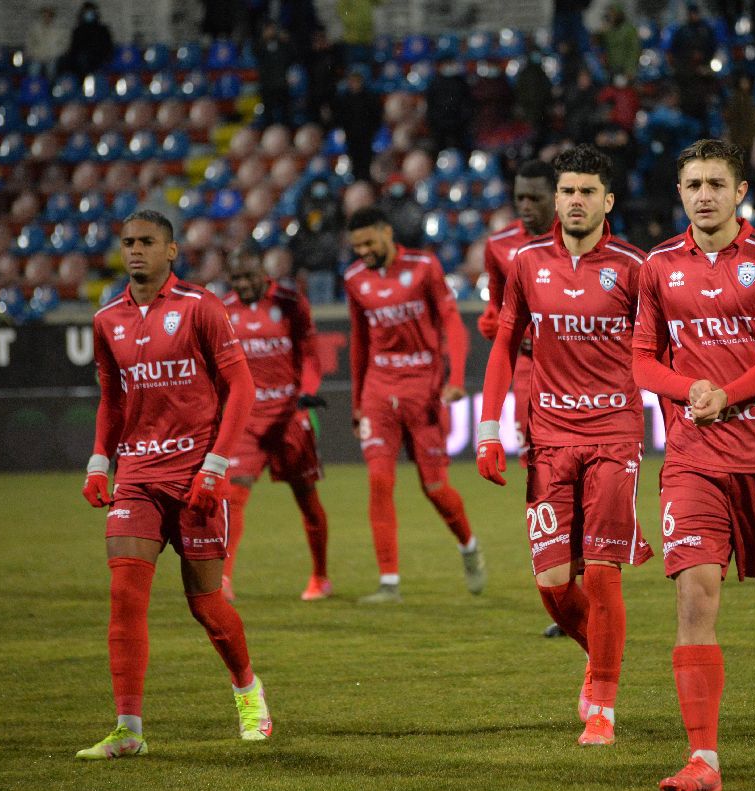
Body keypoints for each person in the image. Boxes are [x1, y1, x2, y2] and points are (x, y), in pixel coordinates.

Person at [632, 139, 755, 791]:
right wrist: (688, 389)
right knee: (694, 596)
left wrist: (726, 394)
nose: (704, 195)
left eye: (716, 183)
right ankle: (704, 760)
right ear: (679, 193)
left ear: (740, 192)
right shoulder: (658, 266)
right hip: (694, 461)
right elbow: (641, 361)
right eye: (693, 184)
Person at [476, 144, 654, 747]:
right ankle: (599, 654)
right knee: (553, 587)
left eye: (588, 192)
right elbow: (504, 346)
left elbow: (660, 352)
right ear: (556, 199)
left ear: (608, 200)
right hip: (548, 438)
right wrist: (488, 429)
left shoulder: (635, 267)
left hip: (613, 435)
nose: (576, 201)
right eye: (568, 191)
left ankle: (602, 705)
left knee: (602, 574)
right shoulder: (527, 263)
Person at [78, 210, 271, 759]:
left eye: (146, 242)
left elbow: (242, 388)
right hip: (137, 476)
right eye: (127, 242)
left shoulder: (200, 307)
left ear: (171, 251)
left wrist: (215, 466)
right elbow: (113, 399)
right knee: (124, 597)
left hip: (194, 477)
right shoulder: (106, 319)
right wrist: (99, 462)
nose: (135, 250)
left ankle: (247, 690)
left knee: (205, 603)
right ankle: (128, 730)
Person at [343, 206, 485, 603]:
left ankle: (469, 545)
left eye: (369, 243)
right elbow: (359, 342)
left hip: (424, 389)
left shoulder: (423, 267)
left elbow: (452, 321)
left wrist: (456, 380)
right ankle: (389, 582)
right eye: (357, 247)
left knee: (435, 487)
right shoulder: (354, 279)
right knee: (379, 481)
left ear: (387, 233)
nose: (363, 252)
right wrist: (357, 403)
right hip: (378, 391)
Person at [221, 247, 330, 602]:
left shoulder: (290, 302)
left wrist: (307, 391)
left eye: (248, 277)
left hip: (289, 416)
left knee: (306, 498)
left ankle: (320, 577)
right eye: (236, 279)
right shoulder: (222, 310)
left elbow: (310, 355)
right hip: (248, 418)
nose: (243, 284)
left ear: (263, 273)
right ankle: (223, 579)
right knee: (233, 495)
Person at [477, 160, 557, 462]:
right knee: (533, 460)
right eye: (520, 198)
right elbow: (497, 306)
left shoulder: (576, 239)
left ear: (556, 197)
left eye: (535, 198)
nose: (526, 206)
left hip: (573, 360)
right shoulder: (498, 245)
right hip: (528, 363)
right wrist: (491, 321)